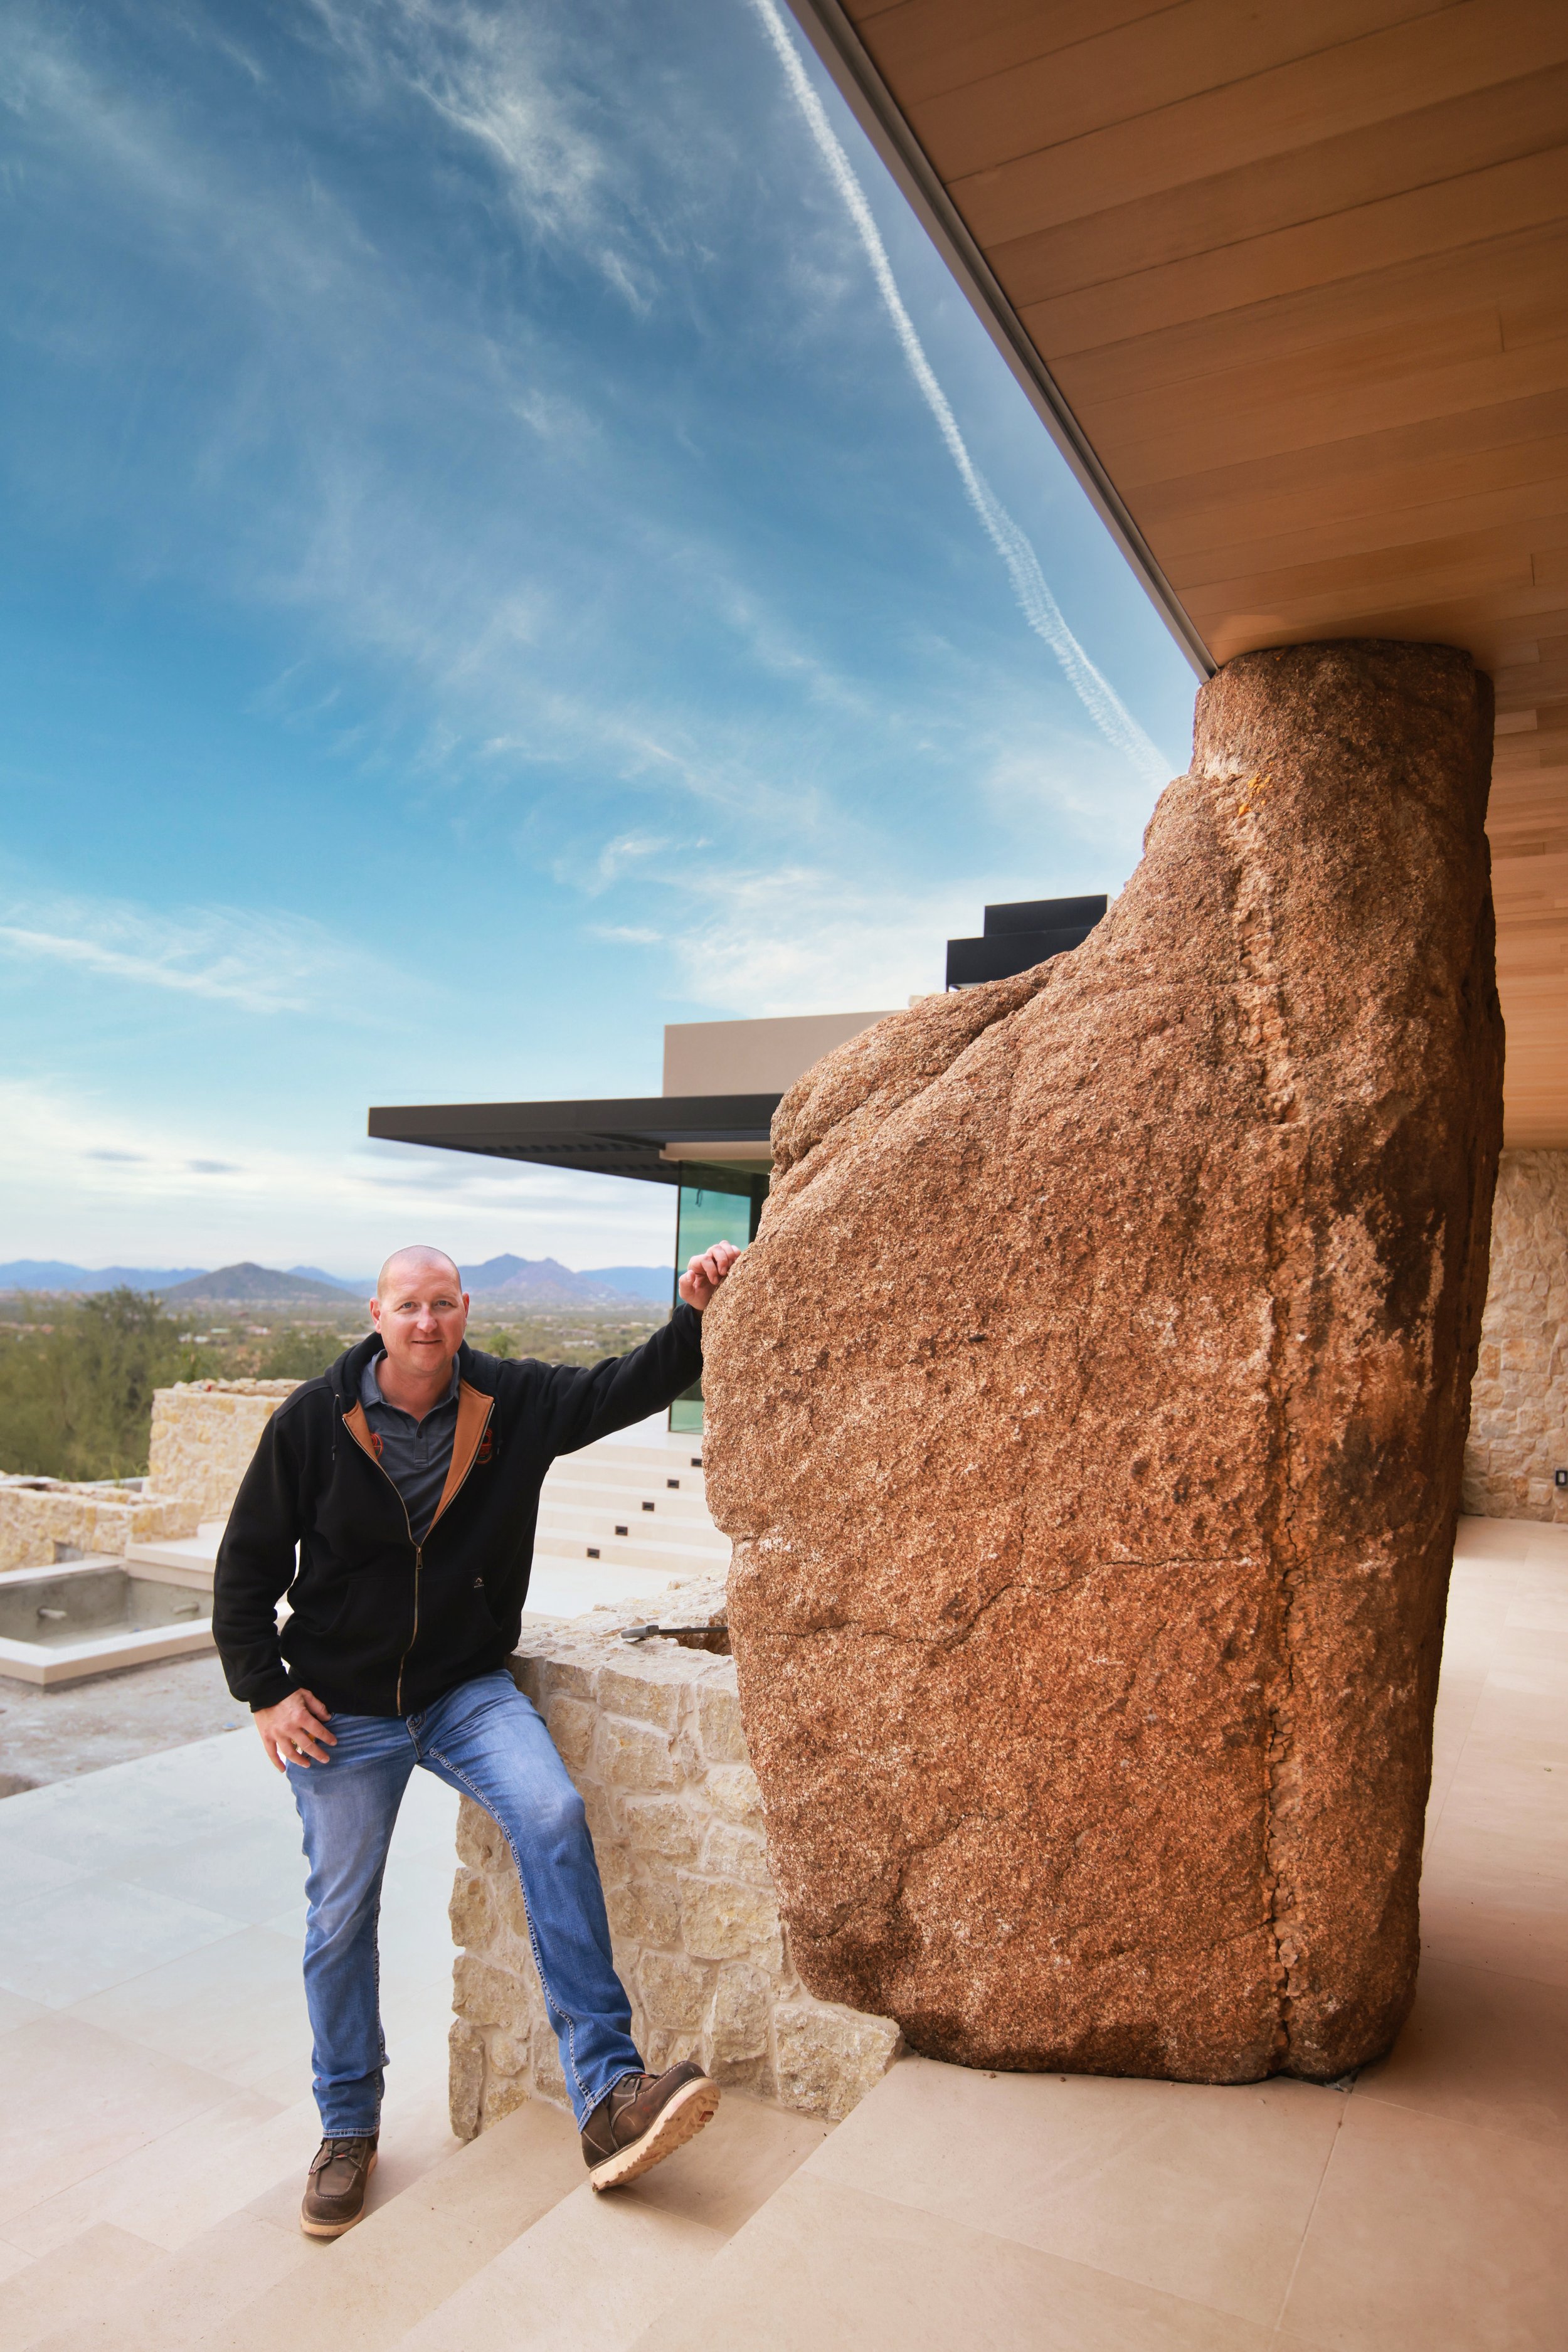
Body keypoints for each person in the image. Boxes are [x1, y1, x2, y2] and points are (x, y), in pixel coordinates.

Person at [213, 1238, 740, 2237]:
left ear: (466, 1311)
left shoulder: (511, 1404)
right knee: (338, 1914)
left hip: (464, 1688)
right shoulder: (311, 1426)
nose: (427, 1322)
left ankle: (607, 2095)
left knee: (551, 1810)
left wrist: (695, 1317)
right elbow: (243, 1575)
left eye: (444, 1305)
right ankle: (346, 2128)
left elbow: (622, 1387)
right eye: (409, 1305)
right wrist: (266, 1691)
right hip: (344, 1708)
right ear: (376, 1313)